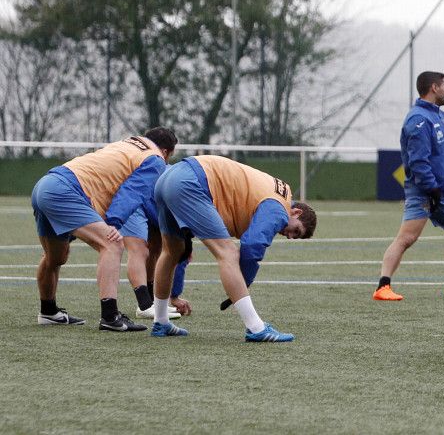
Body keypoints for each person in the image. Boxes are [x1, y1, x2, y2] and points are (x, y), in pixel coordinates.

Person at [149, 155, 316, 342]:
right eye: (296, 230)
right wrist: (243, 282)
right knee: (228, 252)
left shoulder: (278, 192)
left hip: (168, 177)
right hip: (190, 181)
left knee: (171, 252)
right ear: (296, 212)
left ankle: (161, 321)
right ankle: (256, 328)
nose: (289, 235)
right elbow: (252, 246)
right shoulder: (280, 208)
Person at [32, 128, 180, 332]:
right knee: (112, 243)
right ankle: (110, 317)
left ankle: (48, 312)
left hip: (46, 184)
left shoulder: (126, 144)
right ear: (166, 152)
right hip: (66, 191)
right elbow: (132, 192)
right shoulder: (155, 159)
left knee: (56, 257)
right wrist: (114, 223)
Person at [374, 71, 444, 301]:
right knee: (406, 238)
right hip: (424, 193)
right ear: (434, 88)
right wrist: (432, 189)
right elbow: (419, 161)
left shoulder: (441, 117)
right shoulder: (418, 119)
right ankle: (383, 286)